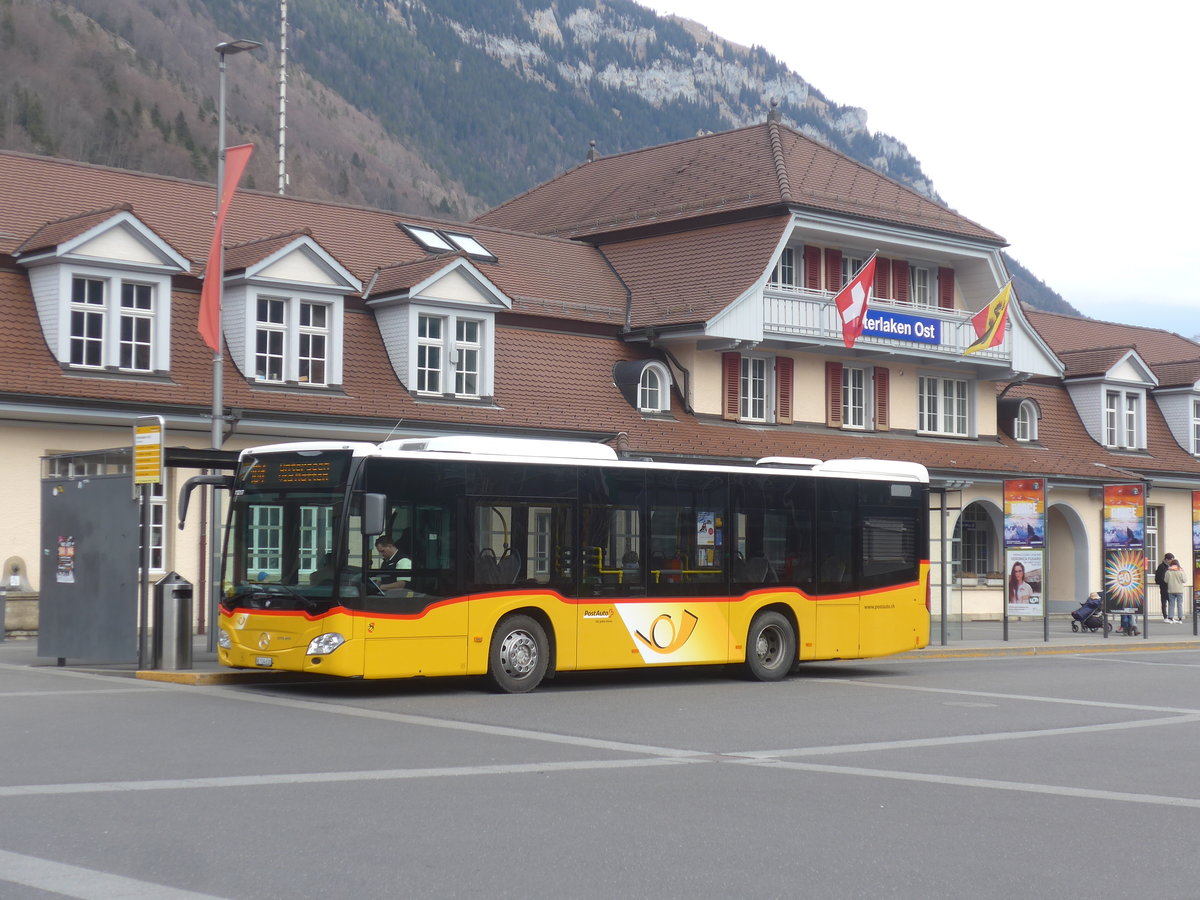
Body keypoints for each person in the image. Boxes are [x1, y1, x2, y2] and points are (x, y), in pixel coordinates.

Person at [1164, 557, 1188, 623]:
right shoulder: (1181, 571)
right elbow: (1184, 580)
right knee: (1179, 605)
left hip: (1171, 590)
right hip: (1179, 590)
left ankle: (1171, 618)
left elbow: (1165, 580)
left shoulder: (1168, 572)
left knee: (1171, 605)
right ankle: (1180, 619)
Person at [1155, 553, 1174, 622]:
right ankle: (1166, 617)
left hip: (1168, 587)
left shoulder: (1169, 566)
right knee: (1165, 602)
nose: (1171, 561)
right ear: (1166, 559)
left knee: (1169, 602)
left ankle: (1170, 617)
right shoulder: (1162, 567)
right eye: (1170, 560)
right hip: (1164, 587)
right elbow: (1160, 578)